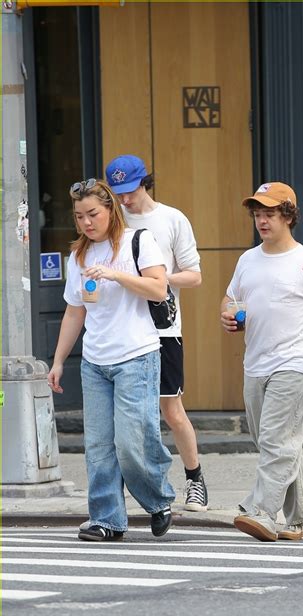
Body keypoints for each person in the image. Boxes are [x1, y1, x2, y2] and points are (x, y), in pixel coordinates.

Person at [48, 179, 175, 542]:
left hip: (137, 355)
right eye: (79, 216)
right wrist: (58, 362)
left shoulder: (139, 241)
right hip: (95, 361)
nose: (86, 223)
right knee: (100, 445)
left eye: (92, 214)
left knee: (132, 441)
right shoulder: (79, 256)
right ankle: (107, 519)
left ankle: (158, 498)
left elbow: (158, 288)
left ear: (110, 210)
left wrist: (116, 274)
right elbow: (74, 313)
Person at [220, 182, 303, 542]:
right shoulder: (247, 260)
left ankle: (262, 511)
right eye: (257, 214)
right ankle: (300, 519)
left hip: (294, 361)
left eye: (269, 213)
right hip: (255, 362)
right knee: (275, 442)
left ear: (288, 215)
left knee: (276, 439)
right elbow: (230, 298)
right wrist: (227, 314)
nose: (262, 221)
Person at [105, 155, 208, 513]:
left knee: (170, 408)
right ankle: (126, 492)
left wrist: (157, 280)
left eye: (130, 191)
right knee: (126, 417)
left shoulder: (171, 219)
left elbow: (194, 275)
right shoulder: (110, 221)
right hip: (121, 328)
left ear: (144, 182)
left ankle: (195, 478)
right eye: (118, 193)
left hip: (163, 326)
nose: (125, 200)